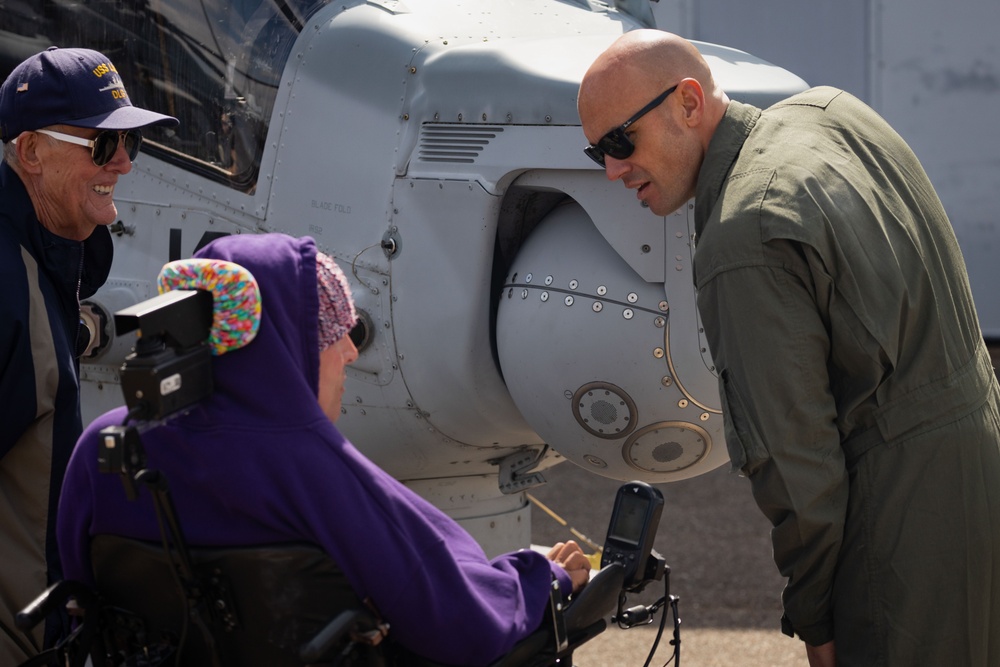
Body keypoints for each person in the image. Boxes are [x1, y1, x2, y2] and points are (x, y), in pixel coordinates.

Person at [578, 29, 1000, 667]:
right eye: (596, 153)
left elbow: (796, 464)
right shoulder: (833, 112)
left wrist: (817, 619)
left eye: (620, 140)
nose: (612, 169)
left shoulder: (742, 237)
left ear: (688, 103)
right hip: (980, 474)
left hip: (902, 541)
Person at [57, 233, 591, 666]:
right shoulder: (314, 468)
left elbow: (76, 596)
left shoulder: (104, 446)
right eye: (336, 331)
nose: (352, 352)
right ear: (292, 346)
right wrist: (540, 575)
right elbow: (463, 625)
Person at [0, 46, 177, 662]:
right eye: (103, 146)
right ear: (30, 152)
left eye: (132, 144)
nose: (124, 164)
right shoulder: (6, 285)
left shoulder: (41, 257)